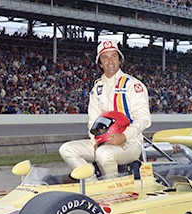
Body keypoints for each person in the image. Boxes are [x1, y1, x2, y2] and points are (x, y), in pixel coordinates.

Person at [59, 40, 151, 177]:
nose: (110, 61)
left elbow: (144, 119)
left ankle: (113, 187)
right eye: (105, 57)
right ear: (100, 64)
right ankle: (92, 184)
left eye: (114, 56)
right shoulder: (97, 89)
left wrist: (124, 136)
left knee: (104, 153)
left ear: (120, 60)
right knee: (66, 149)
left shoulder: (133, 85)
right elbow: (93, 122)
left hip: (130, 143)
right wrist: (95, 141)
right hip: (103, 141)